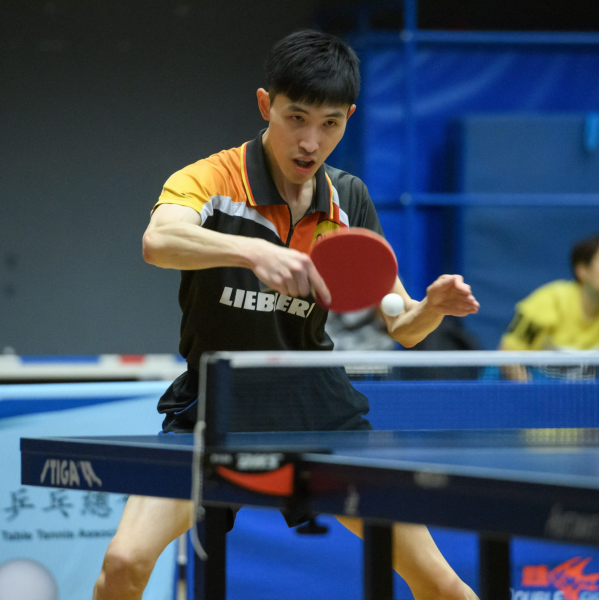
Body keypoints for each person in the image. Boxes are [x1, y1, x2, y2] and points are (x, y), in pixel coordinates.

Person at [93, 30, 480, 600]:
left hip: (317, 411)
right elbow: (159, 241)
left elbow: (402, 326)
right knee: (123, 563)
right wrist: (252, 251)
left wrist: (432, 308)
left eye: (330, 124)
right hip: (214, 406)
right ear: (265, 105)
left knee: (441, 585)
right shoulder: (210, 180)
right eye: (296, 117)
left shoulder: (348, 200)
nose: (310, 141)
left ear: (349, 119)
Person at [499, 234, 599, 377]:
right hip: (530, 390)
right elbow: (508, 355)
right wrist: (530, 395)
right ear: (582, 270)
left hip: (576, 397)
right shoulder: (550, 301)